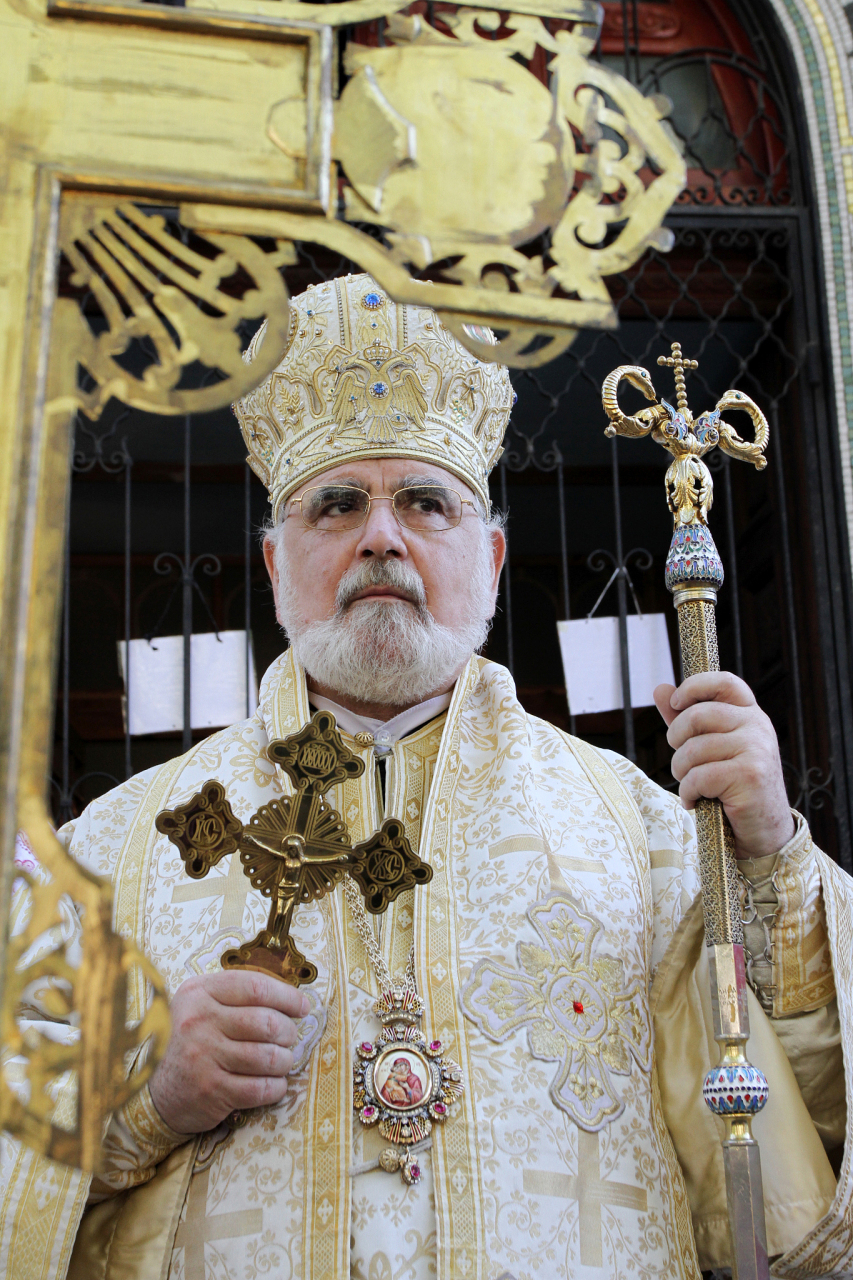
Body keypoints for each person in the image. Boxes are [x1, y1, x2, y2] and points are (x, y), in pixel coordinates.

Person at [2, 273, 851, 1280]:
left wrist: (766, 856)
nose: (380, 535)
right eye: (337, 502)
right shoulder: (117, 844)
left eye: (422, 500)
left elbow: (799, 1134)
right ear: (276, 565)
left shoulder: (643, 830)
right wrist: (141, 1086)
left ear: (490, 557)